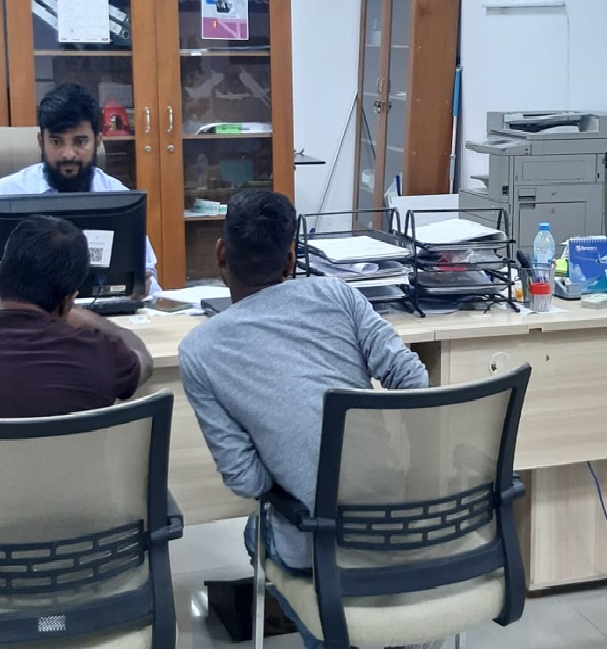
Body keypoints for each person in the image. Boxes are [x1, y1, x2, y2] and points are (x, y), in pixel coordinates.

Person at [179, 190, 428, 647]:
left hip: (317, 541)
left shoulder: (199, 351)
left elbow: (247, 481)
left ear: (220, 254)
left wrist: (289, 452)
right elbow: (412, 380)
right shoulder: (338, 294)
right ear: (292, 257)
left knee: (257, 532)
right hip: (403, 519)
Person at [0, 82, 161, 316]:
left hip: (102, 319)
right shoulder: (5, 194)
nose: (68, 154)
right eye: (56, 141)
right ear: (41, 141)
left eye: (80, 142)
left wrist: (142, 287)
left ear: (98, 140)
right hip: (20, 321)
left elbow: (146, 276)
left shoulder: (117, 197)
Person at [0, 215, 152, 418]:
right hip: (69, 468)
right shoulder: (100, 352)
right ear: (69, 300)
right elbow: (144, 361)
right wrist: (91, 320)